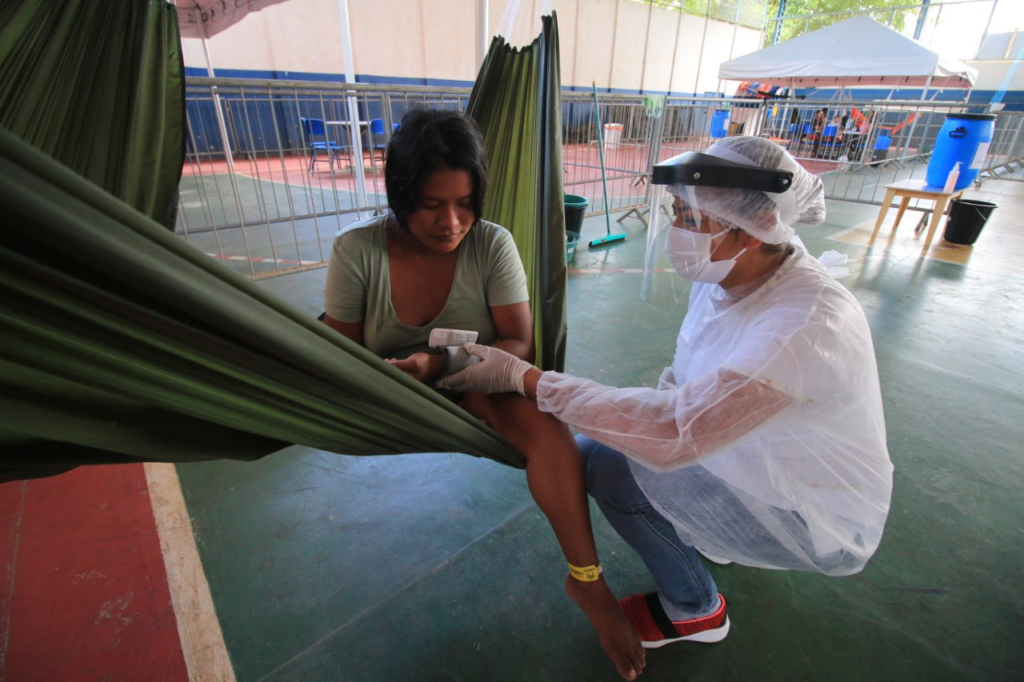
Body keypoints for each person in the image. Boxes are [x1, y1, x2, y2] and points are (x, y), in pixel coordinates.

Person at [438, 136, 894, 652]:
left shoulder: (803, 324)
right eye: (677, 211)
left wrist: (526, 379)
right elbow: (689, 381)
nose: (678, 230)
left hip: (810, 509)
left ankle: (695, 609)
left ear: (750, 230)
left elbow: (673, 434)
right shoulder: (733, 274)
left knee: (611, 470)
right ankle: (709, 531)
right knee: (603, 452)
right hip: (749, 453)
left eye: (691, 218)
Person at [323, 109, 646, 680]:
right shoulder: (358, 252)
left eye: (465, 203)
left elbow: (519, 342)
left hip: (474, 384)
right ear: (401, 196)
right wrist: (398, 371)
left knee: (551, 429)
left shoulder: (491, 244)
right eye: (431, 204)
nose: (451, 221)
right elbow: (338, 351)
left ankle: (588, 584)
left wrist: (438, 363)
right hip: (386, 396)